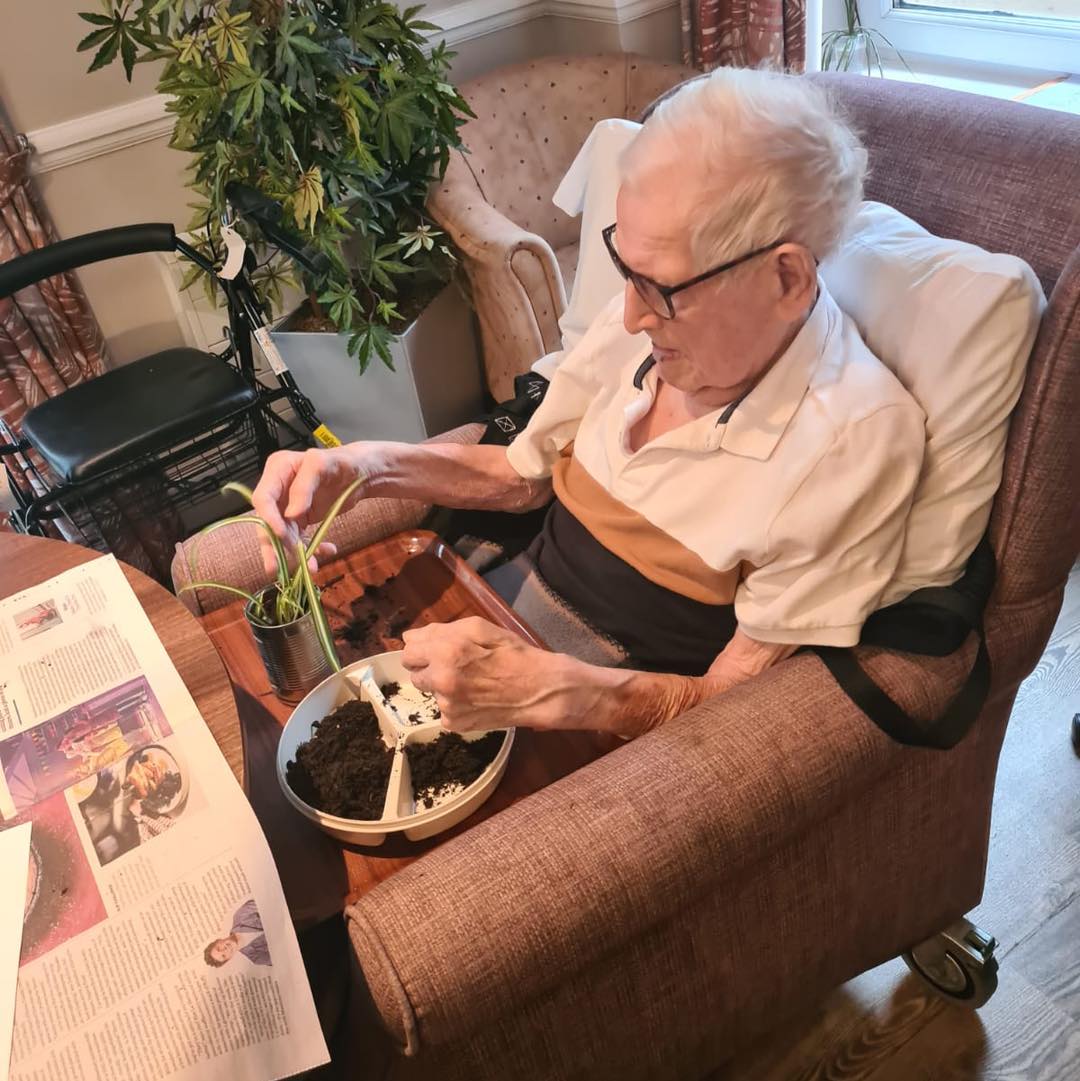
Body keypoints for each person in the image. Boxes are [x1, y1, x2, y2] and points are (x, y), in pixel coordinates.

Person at [252, 68, 926, 741]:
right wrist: (364, 468)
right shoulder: (649, 326)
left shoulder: (852, 440)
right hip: (493, 607)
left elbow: (738, 701)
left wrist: (556, 687)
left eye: (661, 289)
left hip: (599, 722)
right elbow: (523, 479)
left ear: (785, 277)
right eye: (624, 268)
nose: (628, 316)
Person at [203, 899, 271, 967]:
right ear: (229, 958)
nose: (224, 950)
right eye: (224, 956)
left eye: (218, 948)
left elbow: (268, 899)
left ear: (218, 940)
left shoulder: (240, 915)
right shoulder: (257, 958)